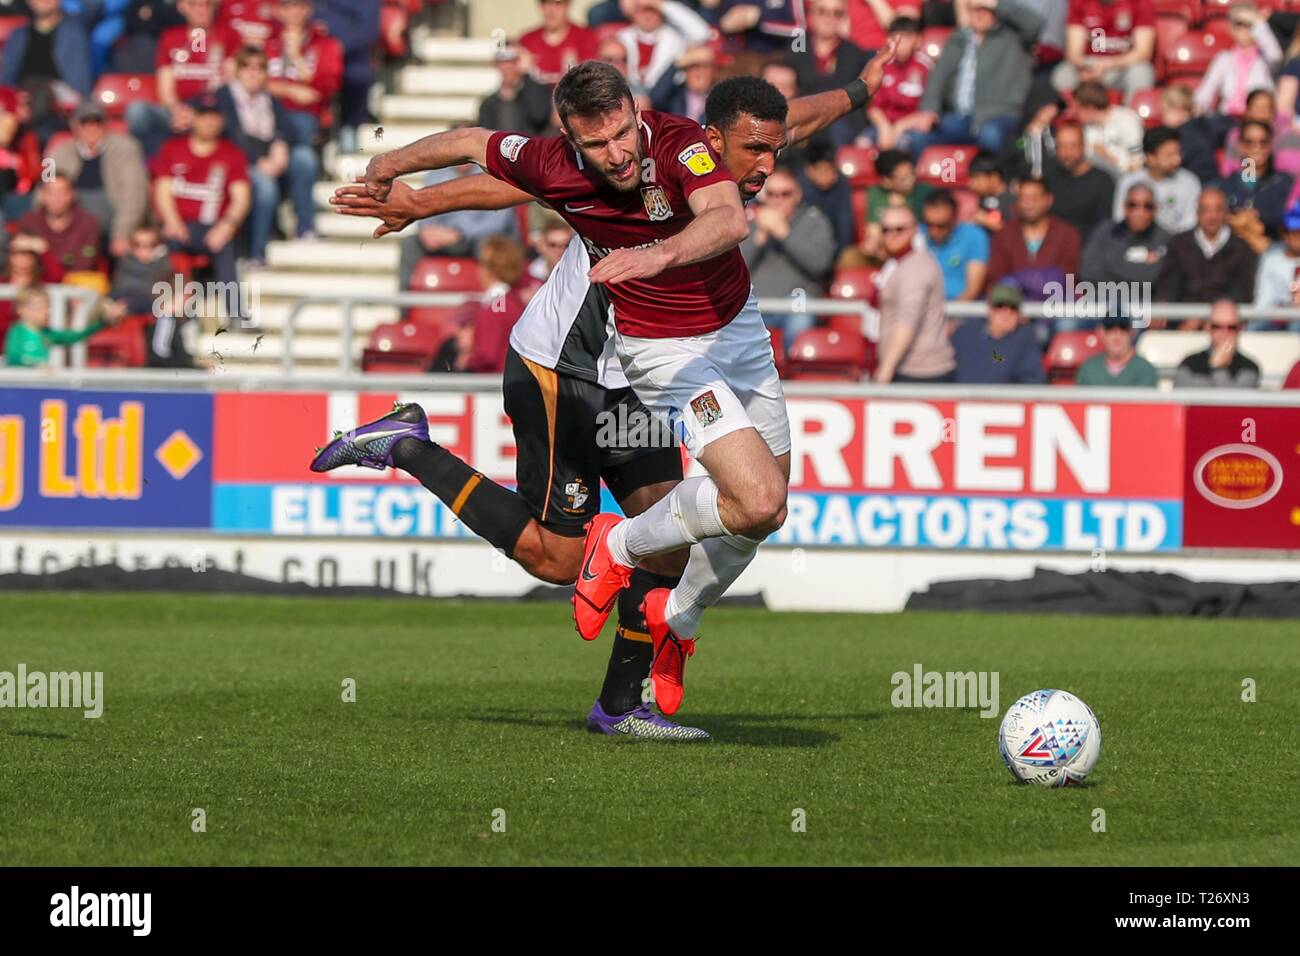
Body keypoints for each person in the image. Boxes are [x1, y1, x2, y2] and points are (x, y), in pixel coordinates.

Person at [323, 48, 901, 738]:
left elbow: (791, 122)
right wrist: (412, 191)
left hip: (641, 380)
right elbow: (501, 172)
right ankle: (410, 445)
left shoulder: (696, 154)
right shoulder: (586, 171)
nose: (618, 152)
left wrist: (862, 88)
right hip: (564, 372)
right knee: (557, 559)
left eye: (623, 134)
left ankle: (621, 706)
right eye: (598, 142)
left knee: (676, 539)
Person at [151, 94, 252, 322]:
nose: (209, 122)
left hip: (214, 226)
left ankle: (236, 314)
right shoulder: (172, 148)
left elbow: (241, 197)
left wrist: (227, 225)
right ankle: (174, 315)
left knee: (225, 246)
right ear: (193, 118)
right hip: (180, 225)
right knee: (167, 246)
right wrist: (172, 222)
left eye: (214, 116)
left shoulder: (232, 153)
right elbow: (163, 190)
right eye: (203, 116)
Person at [217, 46, 320, 263]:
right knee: (263, 185)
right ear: (237, 70)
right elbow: (229, 137)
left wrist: (280, 143)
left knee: (304, 159)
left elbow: (285, 129)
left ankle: (305, 227)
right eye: (247, 67)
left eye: (260, 68)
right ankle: (257, 252)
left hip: (270, 156)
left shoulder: (269, 98)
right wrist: (258, 160)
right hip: (240, 160)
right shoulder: (223, 97)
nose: (253, 73)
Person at [911, 0, 1045, 157]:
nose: (980, 14)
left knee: (990, 135)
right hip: (961, 118)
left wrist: (996, 3)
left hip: (1000, 116)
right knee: (918, 136)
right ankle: (918, 181)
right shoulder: (958, 39)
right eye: (975, 10)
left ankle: (997, 179)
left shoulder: (1013, 37)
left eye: (985, 10)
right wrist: (929, 109)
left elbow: (1036, 23)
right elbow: (938, 77)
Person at [741, 165, 837, 349]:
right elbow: (734, 269)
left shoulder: (814, 220)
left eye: (785, 194)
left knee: (802, 312)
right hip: (753, 302)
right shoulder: (748, 221)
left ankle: (795, 371)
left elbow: (820, 265)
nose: (778, 200)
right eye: (771, 194)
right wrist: (759, 238)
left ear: (798, 195)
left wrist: (784, 234)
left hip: (796, 301)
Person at [127, 0, 237, 155]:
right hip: (177, 110)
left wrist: (201, 114)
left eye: (206, 5)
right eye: (194, 5)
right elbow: (165, 89)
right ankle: (155, 168)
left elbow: (232, 84)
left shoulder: (228, 36)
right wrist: (178, 111)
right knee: (137, 111)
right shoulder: (170, 37)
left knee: (234, 116)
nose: (201, 10)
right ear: (184, 8)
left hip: (213, 110)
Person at [47, 102, 151, 259]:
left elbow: (134, 195)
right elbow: (44, 189)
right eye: (85, 123)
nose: (91, 128)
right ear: (74, 125)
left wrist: (122, 233)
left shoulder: (126, 149)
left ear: (105, 124)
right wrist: (41, 224)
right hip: (71, 213)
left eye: (97, 122)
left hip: (111, 214)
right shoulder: (58, 152)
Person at [874, 205, 957, 382]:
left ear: (914, 230)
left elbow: (907, 321)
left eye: (899, 229)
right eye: (886, 229)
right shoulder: (899, 263)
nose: (892, 235)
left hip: (919, 371)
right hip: (910, 367)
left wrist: (885, 369)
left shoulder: (914, 268)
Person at [1156, 187, 1257, 308]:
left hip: (1223, 320)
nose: (1212, 216)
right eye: (1206, 210)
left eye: (1218, 209)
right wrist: (1164, 302)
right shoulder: (1178, 244)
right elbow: (1169, 284)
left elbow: (1242, 292)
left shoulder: (1242, 249)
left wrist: (1208, 317)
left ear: (1226, 213)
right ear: (1197, 212)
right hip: (1181, 318)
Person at [264, 0, 345, 148]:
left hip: (304, 114)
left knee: (301, 146)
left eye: (300, 5)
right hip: (265, 109)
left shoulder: (325, 44)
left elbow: (327, 87)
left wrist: (296, 56)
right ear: (280, 10)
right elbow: (249, 79)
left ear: (309, 9)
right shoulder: (267, 41)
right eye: (289, 6)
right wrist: (288, 90)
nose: (295, 11)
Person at [987, 176, 1081, 300]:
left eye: (1034, 199)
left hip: (1057, 304)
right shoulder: (1004, 234)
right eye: (1023, 199)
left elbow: (1070, 276)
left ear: (1049, 200)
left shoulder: (1068, 234)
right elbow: (997, 275)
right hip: (1014, 304)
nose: (1028, 204)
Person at [1051, 0, 1155, 100]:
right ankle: (1070, 114)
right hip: (1089, 63)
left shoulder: (1139, 2)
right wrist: (1085, 68)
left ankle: (1132, 116)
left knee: (1142, 72)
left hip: (1122, 66)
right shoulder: (1080, 2)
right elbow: (1073, 53)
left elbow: (1143, 52)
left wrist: (1106, 65)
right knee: (1063, 75)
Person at [12, 175, 103, 284]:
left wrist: (43, 250)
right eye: (51, 193)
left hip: (74, 288)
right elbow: (20, 263)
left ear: (72, 195)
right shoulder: (29, 222)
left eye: (62, 192)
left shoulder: (88, 224)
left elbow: (85, 264)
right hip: (38, 288)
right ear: (41, 195)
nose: (56, 199)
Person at [1194, 3, 1280, 118]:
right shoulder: (1224, 59)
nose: (1245, 30)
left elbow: (1276, 56)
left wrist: (1259, 23)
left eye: (1250, 25)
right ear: (1231, 28)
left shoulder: (1264, 58)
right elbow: (1204, 94)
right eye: (1239, 24)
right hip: (1228, 118)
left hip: (1258, 119)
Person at [950, 282, 1046, 383]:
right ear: (990, 309)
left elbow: (1033, 380)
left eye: (1012, 308)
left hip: (1007, 397)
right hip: (963, 396)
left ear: (1019, 313)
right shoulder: (965, 334)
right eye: (999, 306)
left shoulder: (1026, 339)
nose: (1006, 313)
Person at [1112, 126, 1200, 235]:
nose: (1177, 160)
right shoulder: (1129, 182)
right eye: (1169, 155)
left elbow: (1189, 224)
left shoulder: (1189, 183)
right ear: (1150, 158)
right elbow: (1120, 218)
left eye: (1178, 153)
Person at [863, 16, 932, 152]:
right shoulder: (881, 65)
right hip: (883, 125)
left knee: (903, 145)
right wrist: (884, 127)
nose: (900, 44)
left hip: (911, 128)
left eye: (906, 38)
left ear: (917, 40)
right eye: (895, 38)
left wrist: (899, 127)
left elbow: (928, 110)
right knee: (862, 144)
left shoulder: (926, 67)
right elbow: (873, 106)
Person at [3, 285, 112, 368]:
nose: (46, 312)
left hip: (38, 387)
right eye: (39, 307)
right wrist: (36, 366)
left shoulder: (47, 334)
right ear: (21, 310)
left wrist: (105, 322)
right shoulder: (16, 332)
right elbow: (13, 358)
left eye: (47, 306)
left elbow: (76, 336)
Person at [616, 0, 712, 93]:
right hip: (629, 92)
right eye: (643, 10)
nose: (647, 15)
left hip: (666, 96)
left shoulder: (674, 38)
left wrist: (662, 4)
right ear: (634, 13)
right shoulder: (622, 37)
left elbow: (702, 33)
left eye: (653, 10)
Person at [1082, 182, 1168, 285]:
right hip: (1104, 297)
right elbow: (1088, 272)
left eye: (1147, 206)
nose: (1140, 212)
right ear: (1124, 207)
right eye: (1132, 205)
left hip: (1144, 299)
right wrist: (1135, 271)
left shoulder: (1164, 237)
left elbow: (1153, 278)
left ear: (1155, 209)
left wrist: (1109, 264)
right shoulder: (1105, 231)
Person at [1042, 120, 1115, 242]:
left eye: (1072, 146)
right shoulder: (1049, 177)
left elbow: (1105, 227)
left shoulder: (1102, 181)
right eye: (1061, 146)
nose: (1067, 153)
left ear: (1083, 147)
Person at [1174, 299, 1261, 388]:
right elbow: (1183, 399)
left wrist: (1219, 368)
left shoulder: (1249, 368)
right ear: (1207, 327)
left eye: (1231, 327)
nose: (1224, 333)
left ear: (1241, 328)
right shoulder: (1189, 365)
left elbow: (1231, 400)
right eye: (1217, 327)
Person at [922, 188, 989, 301]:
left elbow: (972, 289)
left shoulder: (974, 236)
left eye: (941, 225)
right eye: (929, 224)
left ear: (954, 219)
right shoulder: (918, 235)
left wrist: (953, 317)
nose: (933, 231)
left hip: (960, 311)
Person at [1071, 79, 1144, 178]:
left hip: (1127, 179)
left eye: (1078, 108)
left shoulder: (1127, 120)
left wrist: (1110, 158)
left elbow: (1138, 163)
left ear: (1090, 108)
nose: (1075, 112)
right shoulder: (1087, 128)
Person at [517, 0, 599, 85]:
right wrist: (521, 72)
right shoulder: (527, 41)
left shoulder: (586, 37)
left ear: (568, 5)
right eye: (546, 3)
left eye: (558, 3)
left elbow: (592, 81)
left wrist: (577, 69)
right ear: (540, 6)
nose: (551, 10)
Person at [477, 46, 554, 137]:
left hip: (531, 147)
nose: (508, 66)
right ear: (497, 66)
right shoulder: (488, 104)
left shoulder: (537, 90)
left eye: (513, 61)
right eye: (503, 62)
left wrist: (526, 75)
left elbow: (539, 116)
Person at [1075, 314, 1158, 385]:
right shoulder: (1089, 368)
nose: (1117, 336)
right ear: (1101, 332)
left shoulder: (1145, 370)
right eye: (1110, 329)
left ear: (1132, 332)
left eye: (1123, 329)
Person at [1253, 201, 1300, 326]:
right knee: (1255, 328)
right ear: (1285, 235)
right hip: (1275, 318)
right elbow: (1263, 301)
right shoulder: (1271, 260)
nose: (1297, 238)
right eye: (1293, 233)